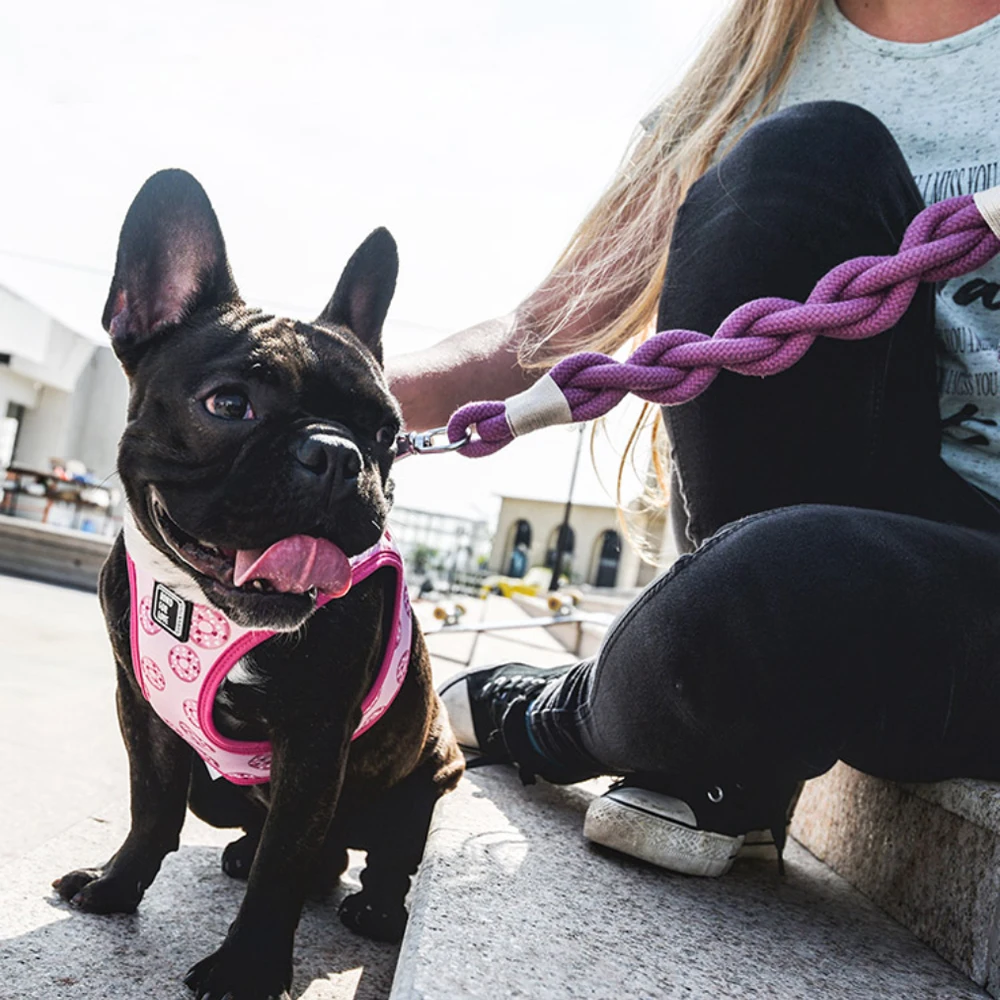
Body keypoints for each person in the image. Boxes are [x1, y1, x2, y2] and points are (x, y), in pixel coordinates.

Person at [387, 0, 1000, 876]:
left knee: (780, 584)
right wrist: (309, 385)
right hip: (837, 531)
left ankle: (566, 717)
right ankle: (729, 757)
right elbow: (545, 326)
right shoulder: (759, 60)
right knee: (803, 156)